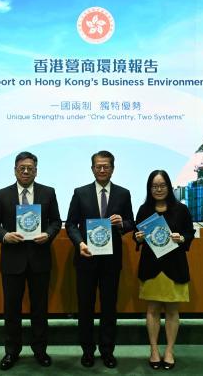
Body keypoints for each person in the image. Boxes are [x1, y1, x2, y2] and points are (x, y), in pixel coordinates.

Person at [0, 151, 62, 371]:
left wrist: (48, 234)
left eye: (30, 168)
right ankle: (11, 352)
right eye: (22, 168)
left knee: (40, 309)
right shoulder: (2, 195)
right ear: (15, 170)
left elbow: (56, 221)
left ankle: (40, 350)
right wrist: (4, 236)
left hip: (40, 259)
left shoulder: (48, 192)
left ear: (36, 171)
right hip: (12, 261)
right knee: (12, 310)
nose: (26, 171)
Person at [66, 150, 134, 369]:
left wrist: (122, 223)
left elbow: (131, 223)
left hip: (111, 261)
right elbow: (71, 224)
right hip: (86, 258)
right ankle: (87, 351)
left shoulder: (123, 194)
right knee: (85, 307)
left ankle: (107, 351)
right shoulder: (80, 193)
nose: (102, 170)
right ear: (92, 168)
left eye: (106, 166)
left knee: (109, 308)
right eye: (98, 166)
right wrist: (80, 243)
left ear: (113, 168)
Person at [134, 170, 196, 371]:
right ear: (149, 188)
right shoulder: (144, 209)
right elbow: (136, 234)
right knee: (152, 310)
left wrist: (182, 238)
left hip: (174, 266)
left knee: (172, 310)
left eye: (162, 185)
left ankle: (169, 351)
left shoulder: (181, 209)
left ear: (169, 187)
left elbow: (189, 233)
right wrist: (138, 237)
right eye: (154, 186)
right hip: (151, 266)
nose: (158, 189)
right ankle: (153, 350)